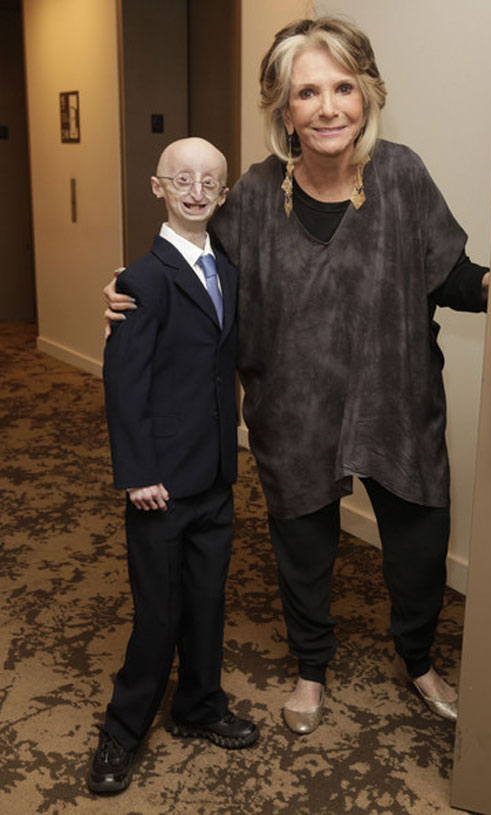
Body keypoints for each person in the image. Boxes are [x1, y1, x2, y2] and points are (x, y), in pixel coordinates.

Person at [105, 18, 489, 735]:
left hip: (397, 404)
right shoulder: (253, 195)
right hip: (295, 412)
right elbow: (199, 273)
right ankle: (311, 667)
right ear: (285, 111)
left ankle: (419, 660)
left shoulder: (401, 175)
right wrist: (133, 293)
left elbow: (451, 273)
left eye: (344, 87)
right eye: (307, 92)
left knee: (419, 549)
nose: (328, 107)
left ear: (367, 97)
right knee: (303, 551)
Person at [88, 137, 258, 795]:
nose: (196, 191)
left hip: (213, 475)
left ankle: (199, 704)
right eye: (181, 179)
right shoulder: (141, 279)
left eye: (209, 181)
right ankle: (123, 728)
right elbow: (124, 382)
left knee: (208, 602)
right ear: (157, 187)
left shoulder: (228, 273)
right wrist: (137, 473)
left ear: (223, 192)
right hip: (158, 483)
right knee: (158, 614)